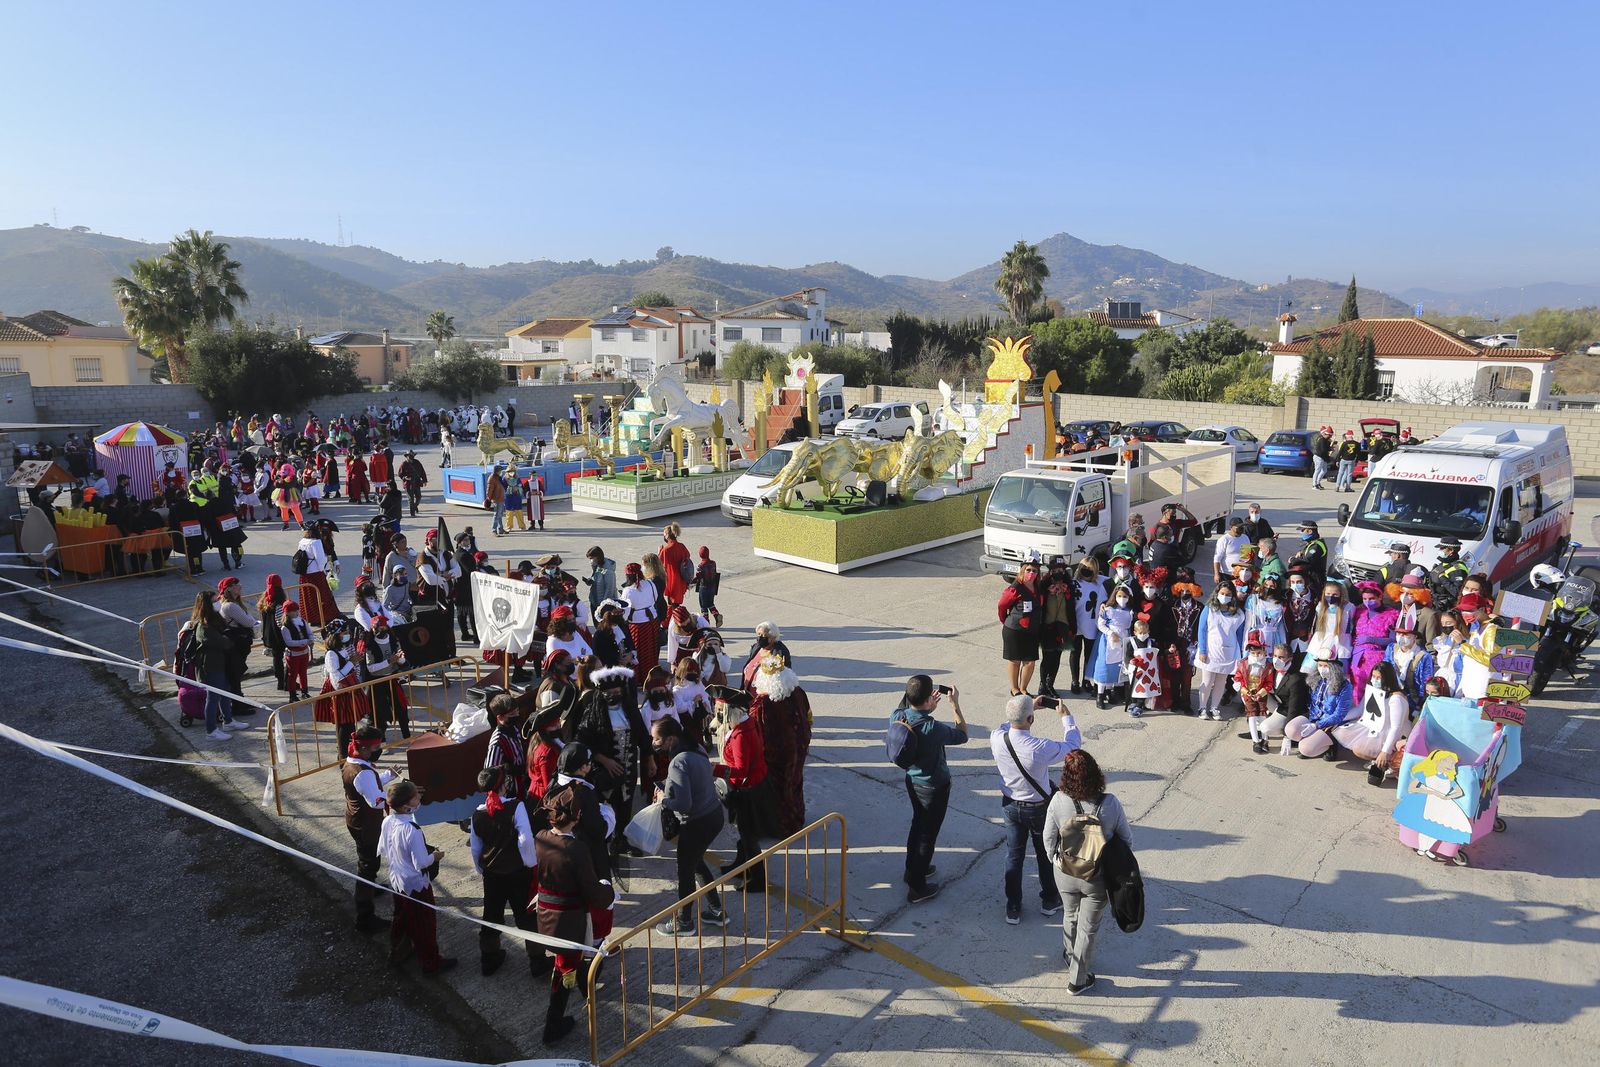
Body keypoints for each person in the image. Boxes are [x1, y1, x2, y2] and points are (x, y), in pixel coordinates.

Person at [1043, 749, 1133, 996]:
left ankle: (1069, 955)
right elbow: (1126, 839)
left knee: (1070, 914)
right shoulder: (1110, 803)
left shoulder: (1059, 800)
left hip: (1065, 871)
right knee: (1088, 928)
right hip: (1097, 876)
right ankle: (1078, 979)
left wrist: (1055, 860)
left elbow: (1048, 838)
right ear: (1096, 774)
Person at [535, 784, 613, 1046]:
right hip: (570, 920)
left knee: (566, 962)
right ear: (577, 817)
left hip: (546, 913)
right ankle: (553, 1025)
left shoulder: (541, 837)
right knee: (565, 967)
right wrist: (609, 894)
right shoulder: (576, 848)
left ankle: (581, 985)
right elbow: (591, 889)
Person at [991, 694, 1079, 924]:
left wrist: (1027, 711)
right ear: (1031, 718)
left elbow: (1006, 724)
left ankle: (1013, 906)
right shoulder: (1039, 747)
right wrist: (1066, 718)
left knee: (1014, 855)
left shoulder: (997, 737)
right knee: (1045, 854)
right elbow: (1073, 747)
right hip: (1038, 809)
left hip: (1010, 805)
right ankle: (1050, 900)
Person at [895, 675, 968, 904]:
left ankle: (913, 869)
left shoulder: (897, 717)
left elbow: (907, 703)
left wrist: (925, 706)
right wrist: (954, 704)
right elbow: (962, 734)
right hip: (933, 787)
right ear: (928, 699)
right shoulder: (931, 727)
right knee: (927, 836)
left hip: (912, 780)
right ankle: (917, 887)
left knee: (918, 823)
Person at [651, 715, 727, 935]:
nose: (654, 743)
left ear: (670, 740)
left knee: (685, 872)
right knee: (697, 863)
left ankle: (684, 923)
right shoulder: (697, 749)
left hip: (697, 824)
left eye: (656, 739)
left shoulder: (678, 761)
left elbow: (683, 805)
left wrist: (662, 799)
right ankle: (717, 911)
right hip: (714, 816)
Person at [470, 765, 545, 979]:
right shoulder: (515, 806)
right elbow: (525, 839)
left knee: (491, 914)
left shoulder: (477, 814)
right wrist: (530, 863)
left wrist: (480, 868)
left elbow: (476, 847)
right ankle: (537, 960)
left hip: (492, 874)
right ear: (503, 785)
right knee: (526, 916)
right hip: (517, 872)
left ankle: (489, 958)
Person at [379, 779, 456, 974]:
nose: (419, 798)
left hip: (397, 880)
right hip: (416, 884)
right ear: (406, 806)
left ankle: (398, 950)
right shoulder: (412, 831)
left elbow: (383, 848)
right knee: (425, 925)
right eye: (415, 796)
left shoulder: (387, 821)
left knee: (401, 917)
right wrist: (436, 856)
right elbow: (421, 863)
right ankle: (431, 963)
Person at [708, 685, 771, 889]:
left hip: (748, 791)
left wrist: (715, 770)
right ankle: (741, 865)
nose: (717, 714)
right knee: (743, 833)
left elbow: (741, 770)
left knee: (749, 837)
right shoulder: (742, 725)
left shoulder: (741, 735)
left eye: (720, 711)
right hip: (750, 788)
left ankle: (758, 880)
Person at [749, 653, 812, 836]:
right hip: (797, 751)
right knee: (794, 783)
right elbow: (808, 717)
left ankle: (779, 828)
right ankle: (796, 819)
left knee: (775, 793)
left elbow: (754, 731)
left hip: (773, 757)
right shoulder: (798, 692)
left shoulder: (761, 704)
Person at [343, 725, 394, 934]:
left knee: (369, 861)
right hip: (366, 824)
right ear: (364, 749)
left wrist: (388, 776)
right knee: (367, 865)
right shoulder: (361, 772)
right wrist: (396, 798)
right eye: (376, 746)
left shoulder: (355, 763)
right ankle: (365, 917)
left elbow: (369, 784)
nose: (378, 749)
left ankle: (371, 887)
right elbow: (375, 800)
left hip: (359, 821)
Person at [190, 591, 244, 741]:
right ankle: (211, 731)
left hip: (221, 663)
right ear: (206, 604)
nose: (218, 602)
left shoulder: (215, 618)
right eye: (214, 601)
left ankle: (228, 721)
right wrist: (230, 637)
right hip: (211, 666)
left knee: (225, 692)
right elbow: (222, 642)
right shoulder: (203, 625)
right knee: (212, 698)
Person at [1281, 658, 1357, 759]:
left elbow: (1339, 714)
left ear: (1334, 667)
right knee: (1291, 730)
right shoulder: (1317, 679)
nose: (1322, 669)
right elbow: (1312, 703)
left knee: (1306, 748)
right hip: (1314, 715)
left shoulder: (1345, 686)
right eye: (1320, 665)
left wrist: (1317, 725)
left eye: (1326, 666)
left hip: (1332, 722)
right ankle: (1315, 741)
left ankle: (1330, 745)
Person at [1193, 583, 1248, 719]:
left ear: (1233, 596)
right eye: (1222, 593)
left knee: (1221, 682)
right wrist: (1203, 650)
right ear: (1217, 593)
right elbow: (1202, 630)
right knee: (1207, 680)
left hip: (1228, 652)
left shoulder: (1238, 614)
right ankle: (1202, 708)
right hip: (1211, 651)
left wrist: (1241, 655)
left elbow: (1240, 635)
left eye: (1228, 595)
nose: (1224, 597)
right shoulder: (1209, 609)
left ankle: (1214, 708)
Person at [997, 559, 1044, 696]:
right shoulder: (1015, 588)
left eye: (1034, 571)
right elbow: (1002, 606)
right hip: (1014, 630)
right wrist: (1005, 620)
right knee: (1015, 660)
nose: (1031, 573)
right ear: (1022, 570)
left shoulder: (1038, 587)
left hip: (1032, 631)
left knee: (1030, 662)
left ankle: (1023, 689)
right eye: (1028, 570)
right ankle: (1014, 689)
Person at [1087, 581, 1134, 709]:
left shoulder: (1130, 612)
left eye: (1125, 596)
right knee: (1104, 667)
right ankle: (1100, 696)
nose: (1122, 599)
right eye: (1119, 596)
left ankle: (1111, 691)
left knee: (1117, 668)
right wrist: (1110, 633)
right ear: (1115, 596)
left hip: (1123, 642)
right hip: (1108, 641)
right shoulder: (1108, 609)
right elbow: (1100, 624)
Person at [1037, 556, 1076, 699]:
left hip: (1063, 626)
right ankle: (1042, 684)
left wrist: (1073, 627)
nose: (1058, 572)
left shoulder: (1069, 586)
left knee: (1057, 657)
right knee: (1047, 657)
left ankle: (1050, 684)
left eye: (1061, 569)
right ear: (1050, 571)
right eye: (1055, 569)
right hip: (1047, 626)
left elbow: (1072, 608)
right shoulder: (1044, 586)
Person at [1234, 635, 1277, 753]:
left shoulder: (1268, 666)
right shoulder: (1242, 664)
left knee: (1263, 715)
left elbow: (1269, 682)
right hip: (1247, 693)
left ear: (1264, 651)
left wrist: (1261, 692)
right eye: (1253, 653)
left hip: (1261, 693)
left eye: (1259, 653)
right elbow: (1238, 678)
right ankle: (1255, 741)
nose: (1256, 656)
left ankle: (1265, 740)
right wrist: (1243, 689)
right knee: (1252, 716)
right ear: (1249, 652)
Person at [1069, 558, 1107, 694]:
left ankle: (1086, 680)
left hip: (1091, 624)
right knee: (1075, 652)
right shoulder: (1074, 583)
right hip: (1076, 623)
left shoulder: (1101, 582)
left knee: (1089, 654)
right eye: (1084, 567)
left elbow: (1116, 582)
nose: (1087, 570)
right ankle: (1075, 681)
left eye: (1090, 568)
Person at [1260, 643, 1311, 739]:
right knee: (1256, 694)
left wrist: (1287, 735)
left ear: (1290, 659)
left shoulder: (1295, 678)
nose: (1276, 660)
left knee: (1265, 728)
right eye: (1275, 656)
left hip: (1289, 709)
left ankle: (1292, 732)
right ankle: (1259, 722)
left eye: (1281, 657)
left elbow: (1294, 708)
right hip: (1278, 703)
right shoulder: (1272, 669)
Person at [294, 523, 337, 627]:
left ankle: (310, 617)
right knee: (322, 595)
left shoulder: (302, 541)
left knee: (307, 596)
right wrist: (324, 570)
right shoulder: (316, 542)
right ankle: (323, 617)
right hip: (315, 573)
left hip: (305, 573)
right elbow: (321, 560)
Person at [280, 599, 314, 701]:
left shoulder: (303, 621)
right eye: (294, 611)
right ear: (288, 613)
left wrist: (311, 640)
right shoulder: (285, 627)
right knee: (292, 675)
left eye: (297, 610)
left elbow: (310, 633)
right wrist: (304, 641)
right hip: (293, 654)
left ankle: (305, 692)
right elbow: (289, 642)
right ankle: (292, 695)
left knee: (303, 673)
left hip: (304, 652)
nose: (297, 612)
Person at [743, 622, 792, 687]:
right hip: (748, 691)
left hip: (764, 693)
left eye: (764, 636)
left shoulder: (779, 652)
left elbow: (782, 677)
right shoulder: (755, 647)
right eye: (759, 634)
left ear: (773, 637)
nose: (760, 638)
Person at [1428, 536, 1469, 610]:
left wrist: (1443, 578)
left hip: (1447, 608)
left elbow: (1457, 593)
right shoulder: (1444, 564)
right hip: (1435, 603)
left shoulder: (1458, 569)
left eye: (1442, 548)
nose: (1439, 550)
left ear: (1451, 550)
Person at [660, 522, 692, 606]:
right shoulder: (681, 546)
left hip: (672, 580)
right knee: (677, 605)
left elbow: (658, 563)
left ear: (667, 535)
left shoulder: (666, 550)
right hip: (682, 580)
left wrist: (659, 552)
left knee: (672, 605)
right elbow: (688, 556)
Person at [691, 546, 722, 627]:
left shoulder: (700, 566)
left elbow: (698, 577)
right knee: (710, 603)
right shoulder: (713, 563)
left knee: (703, 606)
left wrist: (690, 582)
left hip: (703, 588)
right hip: (712, 587)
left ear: (700, 555)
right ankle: (716, 615)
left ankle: (706, 623)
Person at [1213, 517, 1249, 586]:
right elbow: (1217, 559)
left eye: (1242, 526)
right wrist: (1216, 574)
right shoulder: (1224, 539)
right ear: (1231, 527)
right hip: (1226, 575)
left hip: (1241, 574)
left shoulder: (1245, 538)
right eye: (1238, 527)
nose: (1241, 528)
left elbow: (1247, 556)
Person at [583, 546, 617, 614]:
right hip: (594, 600)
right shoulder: (597, 565)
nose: (591, 560)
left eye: (591, 558)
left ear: (597, 557)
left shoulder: (608, 569)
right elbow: (596, 577)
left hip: (603, 604)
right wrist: (590, 580)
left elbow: (609, 588)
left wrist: (603, 605)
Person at [399, 450, 427, 517]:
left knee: (419, 497)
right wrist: (405, 478)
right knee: (410, 499)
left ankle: (414, 507)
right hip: (408, 484)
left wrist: (424, 480)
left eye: (412, 456)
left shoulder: (417, 462)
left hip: (417, 482)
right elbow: (400, 474)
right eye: (409, 456)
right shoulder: (404, 464)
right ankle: (412, 513)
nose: (410, 457)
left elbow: (422, 472)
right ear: (407, 456)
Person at [1311, 426, 1334, 490]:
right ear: (1327, 434)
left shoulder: (1326, 440)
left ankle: (1318, 483)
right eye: (1330, 435)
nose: (1330, 437)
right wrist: (1329, 449)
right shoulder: (1322, 440)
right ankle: (1314, 484)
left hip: (1323, 457)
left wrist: (1330, 449)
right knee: (1317, 470)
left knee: (1324, 470)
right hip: (1318, 457)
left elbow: (1325, 449)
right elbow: (1323, 450)